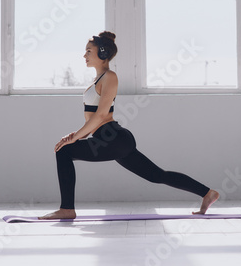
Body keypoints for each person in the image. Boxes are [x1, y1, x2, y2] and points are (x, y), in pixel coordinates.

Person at [39, 31, 219, 219]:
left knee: (64, 152)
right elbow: (91, 120)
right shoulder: (97, 80)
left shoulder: (110, 76)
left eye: (88, 51)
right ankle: (208, 193)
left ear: (102, 53)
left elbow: (101, 115)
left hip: (113, 137)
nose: (84, 55)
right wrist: (74, 136)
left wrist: (75, 137)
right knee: (157, 175)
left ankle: (67, 209)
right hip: (111, 139)